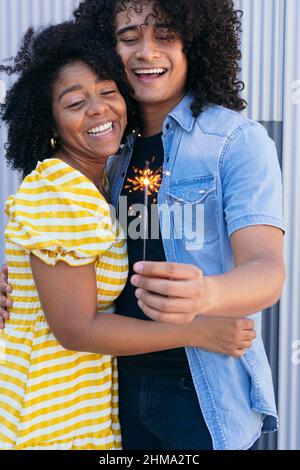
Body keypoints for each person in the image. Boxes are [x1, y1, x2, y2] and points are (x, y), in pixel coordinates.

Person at [0, 20, 252, 451]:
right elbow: (76, 330)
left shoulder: (103, 182)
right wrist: (198, 332)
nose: (98, 109)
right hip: (45, 414)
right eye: (76, 102)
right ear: (50, 122)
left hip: (83, 405)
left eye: (108, 91)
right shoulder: (60, 190)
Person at [73, 0, 284, 451]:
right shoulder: (106, 151)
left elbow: (267, 270)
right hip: (113, 391)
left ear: (197, 45)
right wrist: (32, 284)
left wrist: (208, 294)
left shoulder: (237, 142)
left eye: (165, 35)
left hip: (203, 395)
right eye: (129, 37)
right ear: (108, 51)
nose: (146, 52)